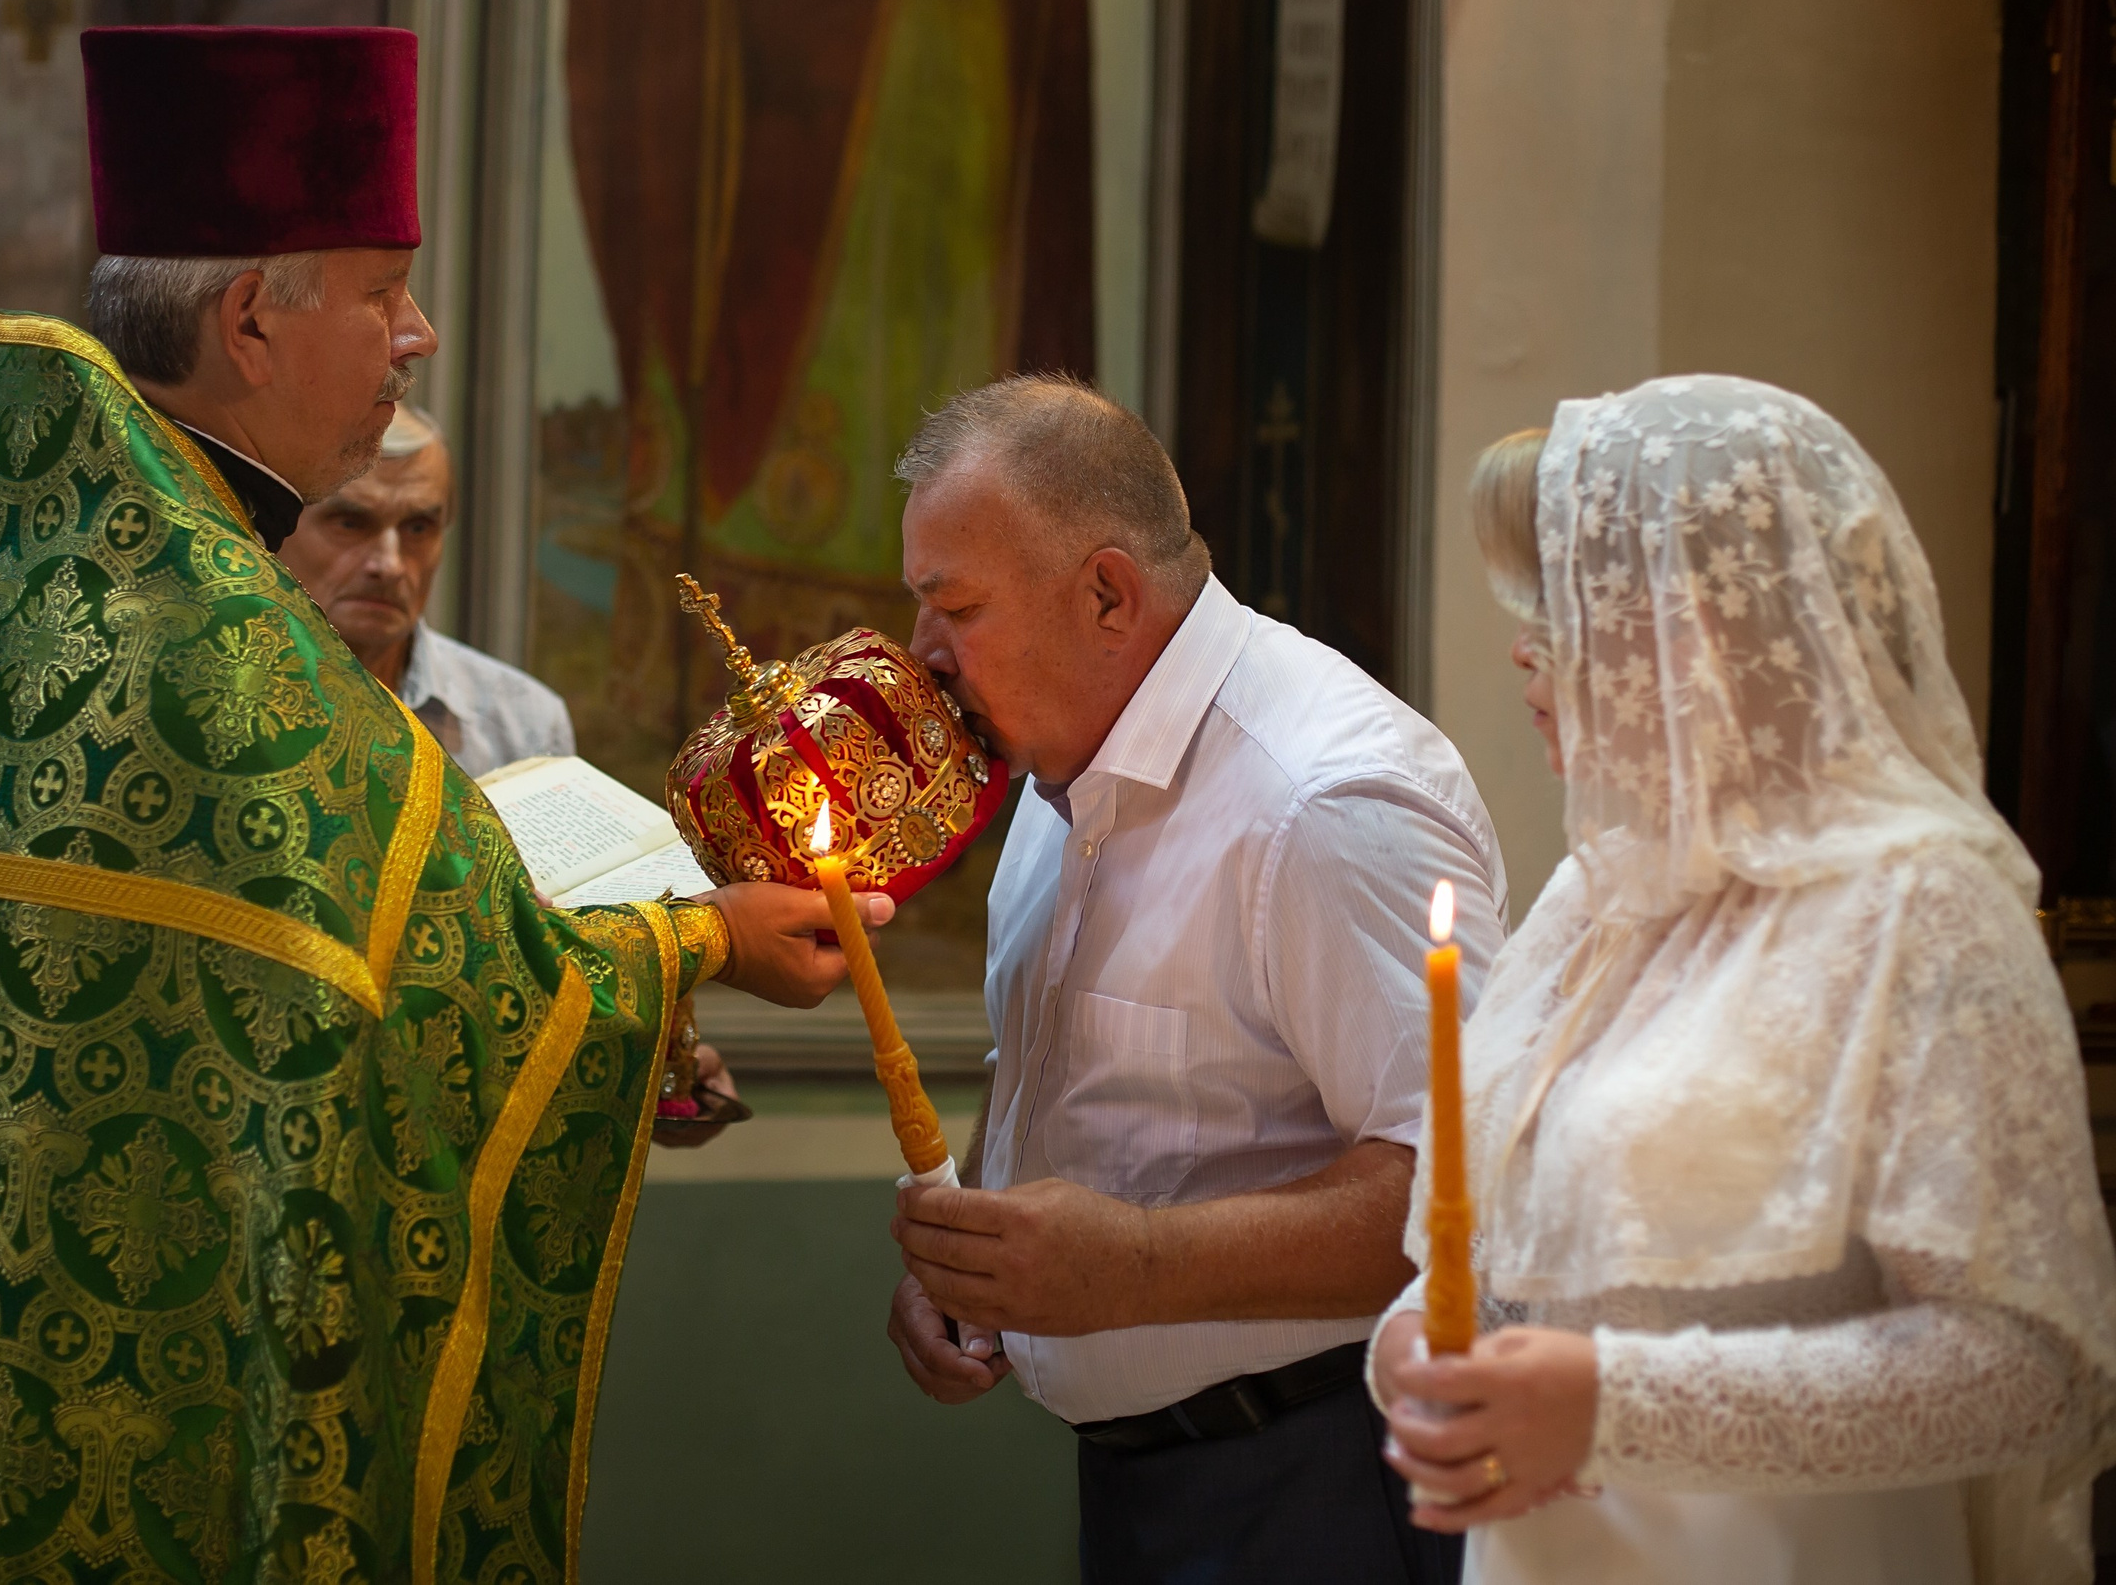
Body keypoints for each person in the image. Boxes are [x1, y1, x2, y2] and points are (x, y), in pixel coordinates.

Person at [0, 24, 888, 1584]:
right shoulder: (223, 650)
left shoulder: (54, 561)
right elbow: (456, 990)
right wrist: (705, 941)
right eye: (385, 289)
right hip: (170, 1421)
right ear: (252, 318)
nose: (419, 332)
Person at [1371, 376, 2116, 1584]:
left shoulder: (1923, 904)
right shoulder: (1594, 898)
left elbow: (2032, 1364)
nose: (1523, 645)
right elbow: (1491, 1254)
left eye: (1565, 602)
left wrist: (1613, 1405)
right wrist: (1413, 1345)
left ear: (1711, 625)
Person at [885, 375, 1500, 1583]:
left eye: (954, 606)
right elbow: (1078, 1093)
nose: (921, 652)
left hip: (1330, 1474)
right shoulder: (1060, 769)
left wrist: (1133, 1267)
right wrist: (976, 1274)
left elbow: (1474, 1193)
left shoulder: (1319, 800)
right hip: (1142, 1484)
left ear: (1106, 595)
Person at [279, 405, 575, 775]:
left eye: (418, 528)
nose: (390, 565)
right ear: (279, 528)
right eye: (351, 524)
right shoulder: (228, 692)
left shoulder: (523, 724)